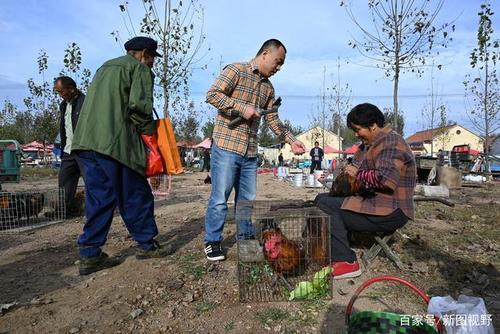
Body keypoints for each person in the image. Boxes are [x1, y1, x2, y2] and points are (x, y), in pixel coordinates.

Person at [71, 36, 174, 275]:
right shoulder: (139, 69)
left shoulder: (105, 67)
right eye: (152, 59)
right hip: (114, 144)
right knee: (135, 193)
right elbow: (139, 109)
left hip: (86, 142)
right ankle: (147, 245)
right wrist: (151, 140)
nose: (152, 64)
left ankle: (90, 254)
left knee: (100, 198)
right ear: (144, 53)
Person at [204, 38, 306, 261]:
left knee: (246, 201)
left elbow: (273, 120)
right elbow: (212, 95)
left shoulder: (269, 88)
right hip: (227, 145)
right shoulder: (236, 71)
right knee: (220, 197)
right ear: (265, 54)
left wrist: (291, 140)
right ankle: (212, 241)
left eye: (281, 65)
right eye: (277, 62)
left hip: (250, 152)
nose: (278, 68)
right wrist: (242, 107)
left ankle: (245, 238)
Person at [315, 103, 416, 279]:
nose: (356, 134)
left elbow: (386, 180)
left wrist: (358, 174)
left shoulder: (391, 142)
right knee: (320, 199)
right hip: (374, 203)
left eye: (358, 129)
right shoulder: (367, 145)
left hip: (390, 211)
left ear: (373, 125)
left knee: (327, 207)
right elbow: (353, 167)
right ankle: (322, 248)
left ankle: (346, 262)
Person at [53, 76, 86, 218]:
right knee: (64, 181)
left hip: (84, 150)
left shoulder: (86, 102)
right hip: (68, 150)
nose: (60, 95)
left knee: (92, 183)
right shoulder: (63, 105)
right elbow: (65, 128)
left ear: (71, 89)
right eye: (58, 92)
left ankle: (94, 212)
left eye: (62, 92)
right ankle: (64, 212)